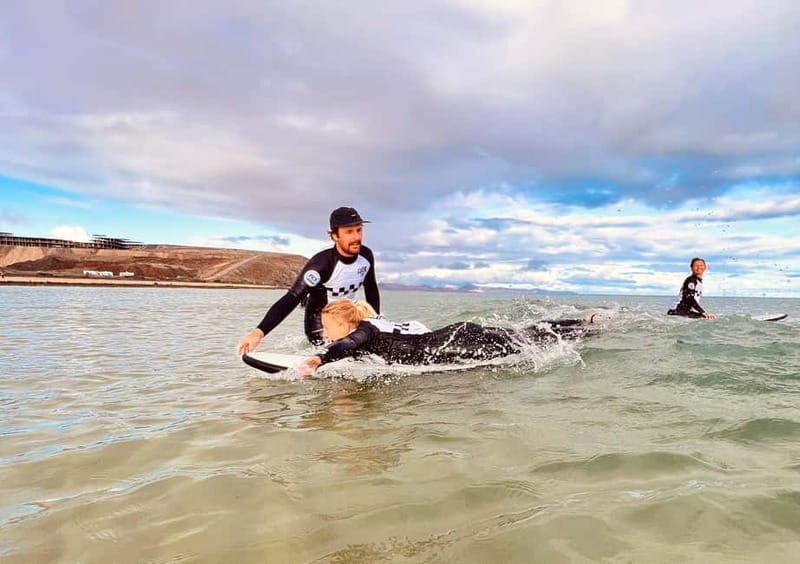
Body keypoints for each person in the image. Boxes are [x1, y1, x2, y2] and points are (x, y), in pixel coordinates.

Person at [297, 299, 602, 376]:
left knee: (529, 342)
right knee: (526, 335)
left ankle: (584, 329)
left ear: (343, 322)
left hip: (457, 344)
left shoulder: (363, 331)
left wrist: (320, 359)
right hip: (455, 334)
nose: (325, 334)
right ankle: (584, 321)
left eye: (328, 327)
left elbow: (349, 344)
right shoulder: (374, 323)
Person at [236, 207, 381, 355]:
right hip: (321, 323)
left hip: (347, 317)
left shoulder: (366, 255)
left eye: (359, 230)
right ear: (334, 236)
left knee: (370, 344)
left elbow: (371, 289)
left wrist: (376, 321)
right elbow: (292, 297)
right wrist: (259, 332)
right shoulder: (321, 265)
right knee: (345, 350)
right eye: (349, 232)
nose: (356, 237)